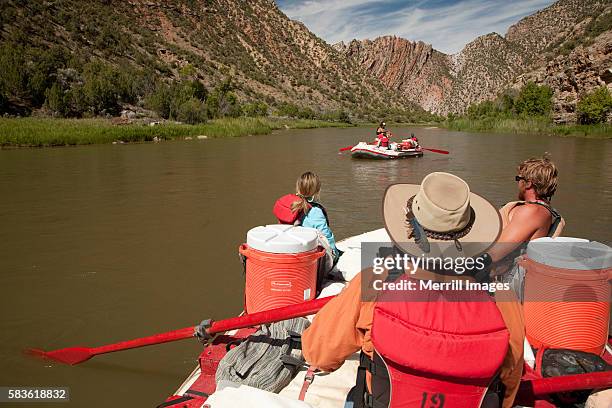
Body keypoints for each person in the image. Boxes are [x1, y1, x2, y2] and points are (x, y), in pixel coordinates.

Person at [302, 172, 525, 408]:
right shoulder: (501, 298)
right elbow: (509, 386)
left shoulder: (374, 282)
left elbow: (318, 354)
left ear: (410, 230)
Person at [487, 154, 565, 295]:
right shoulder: (545, 210)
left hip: (506, 284)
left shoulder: (532, 211)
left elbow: (495, 253)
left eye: (519, 179)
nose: (517, 184)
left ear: (528, 183)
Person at [274, 172, 339, 261]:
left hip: (285, 252)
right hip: (306, 259)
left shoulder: (291, 205)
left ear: (298, 188)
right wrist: (335, 254)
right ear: (318, 191)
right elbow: (326, 237)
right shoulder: (316, 212)